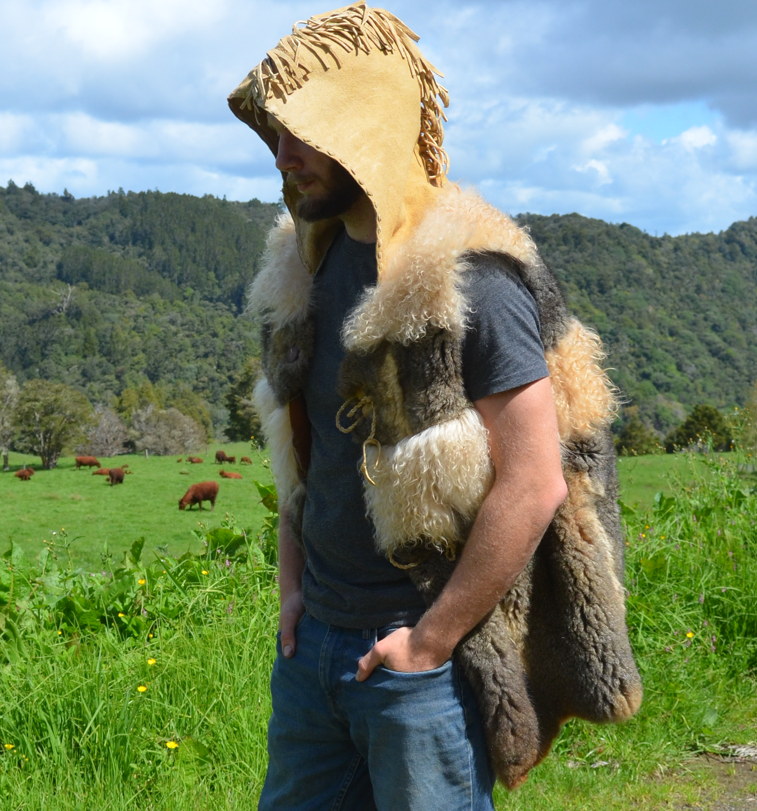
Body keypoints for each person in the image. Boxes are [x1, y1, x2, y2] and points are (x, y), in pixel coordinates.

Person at [228, 4, 642, 809]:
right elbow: (305, 456)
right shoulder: (300, 272)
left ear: (366, 129)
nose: (283, 157)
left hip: (420, 661)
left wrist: (431, 639)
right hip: (314, 646)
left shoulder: (469, 280)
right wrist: (291, 593)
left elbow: (533, 482)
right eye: (275, 133)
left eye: (303, 133)